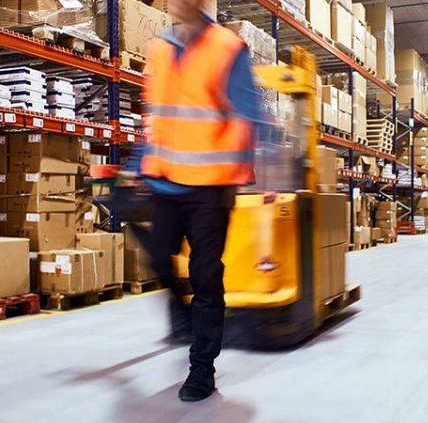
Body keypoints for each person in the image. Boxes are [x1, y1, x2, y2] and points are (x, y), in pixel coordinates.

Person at [125, 0, 260, 403]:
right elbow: (158, 119)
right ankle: (185, 314)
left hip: (211, 187)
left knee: (205, 278)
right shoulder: (159, 49)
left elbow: (249, 115)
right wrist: (137, 165)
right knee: (156, 258)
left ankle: (202, 369)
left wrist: (248, 174)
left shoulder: (228, 48)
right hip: (166, 182)